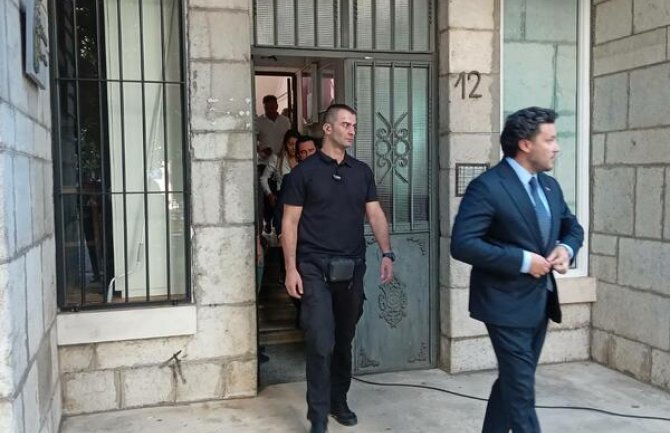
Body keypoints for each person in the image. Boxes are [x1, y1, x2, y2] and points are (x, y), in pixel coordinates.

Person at [450, 107, 584, 433]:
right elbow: (463, 244)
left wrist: (566, 250)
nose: (557, 147)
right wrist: (523, 261)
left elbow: (573, 228)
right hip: (504, 305)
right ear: (525, 144)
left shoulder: (549, 187)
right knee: (522, 394)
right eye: (549, 140)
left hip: (540, 303)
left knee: (512, 382)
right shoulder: (488, 187)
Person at [282, 104, 395, 433]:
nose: (352, 130)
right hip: (313, 268)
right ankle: (317, 415)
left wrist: (387, 253)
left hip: (352, 269)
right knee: (321, 340)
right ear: (327, 129)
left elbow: (375, 214)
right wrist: (290, 269)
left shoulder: (361, 172)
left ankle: (338, 400)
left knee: (344, 338)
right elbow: (289, 223)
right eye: (346, 124)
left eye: (354, 125)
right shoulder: (303, 174)